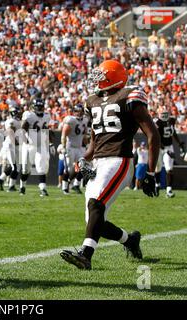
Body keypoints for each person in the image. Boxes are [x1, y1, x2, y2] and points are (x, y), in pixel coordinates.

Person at [59, 60, 160, 270]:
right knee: (95, 221)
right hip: (99, 161)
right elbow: (95, 141)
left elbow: (153, 134)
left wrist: (151, 172)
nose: (96, 79)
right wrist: (84, 159)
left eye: (101, 75)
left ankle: (86, 255)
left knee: (96, 205)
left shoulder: (129, 97)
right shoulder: (93, 101)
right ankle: (129, 240)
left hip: (119, 160)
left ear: (113, 77)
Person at [19, 98, 55, 196]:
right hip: (29, 145)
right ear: (34, 107)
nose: (39, 108)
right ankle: (22, 187)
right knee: (25, 169)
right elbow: (22, 129)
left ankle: (43, 189)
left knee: (41, 167)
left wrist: (50, 143)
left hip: (40, 144)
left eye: (41, 106)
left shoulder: (47, 116)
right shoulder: (29, 115)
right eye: (37, 106)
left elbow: (47, 130)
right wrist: (24, 140)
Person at [154, 106, 185, 198]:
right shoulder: (157, 123)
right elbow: (156, 139)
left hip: (169, 145)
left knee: (169, 169)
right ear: (159, 114)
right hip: (159, 147)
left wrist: (179, 143)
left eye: (166, 114)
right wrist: (165, 150)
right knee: (158, 168)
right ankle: (157, 185)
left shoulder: (171, 121)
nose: (164, 116)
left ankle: (169, 190)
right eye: (163, 114)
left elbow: (173, 132)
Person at [60, 104, 88, 195]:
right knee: (68, 168)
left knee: (82, 165)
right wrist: (63, 146)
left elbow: (84, 134)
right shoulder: (70, 120)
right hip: (70, 147)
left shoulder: (85, 120)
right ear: (73, 112)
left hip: (79, 147)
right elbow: (64, 134)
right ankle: (65, 187)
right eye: (76, 111)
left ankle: (75, 184)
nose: (78, 113)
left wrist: (86, 144)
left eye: (80, 111)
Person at [0, 105, 22, 192]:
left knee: (17, 167)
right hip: (10, 145)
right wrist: (15, 142)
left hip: (14, 145)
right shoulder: (11, 121)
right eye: (18, 112)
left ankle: (11, 186)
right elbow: (10, 131)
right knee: (14, 166)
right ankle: (0, 180)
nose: (20, 113)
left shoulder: (16, 121)